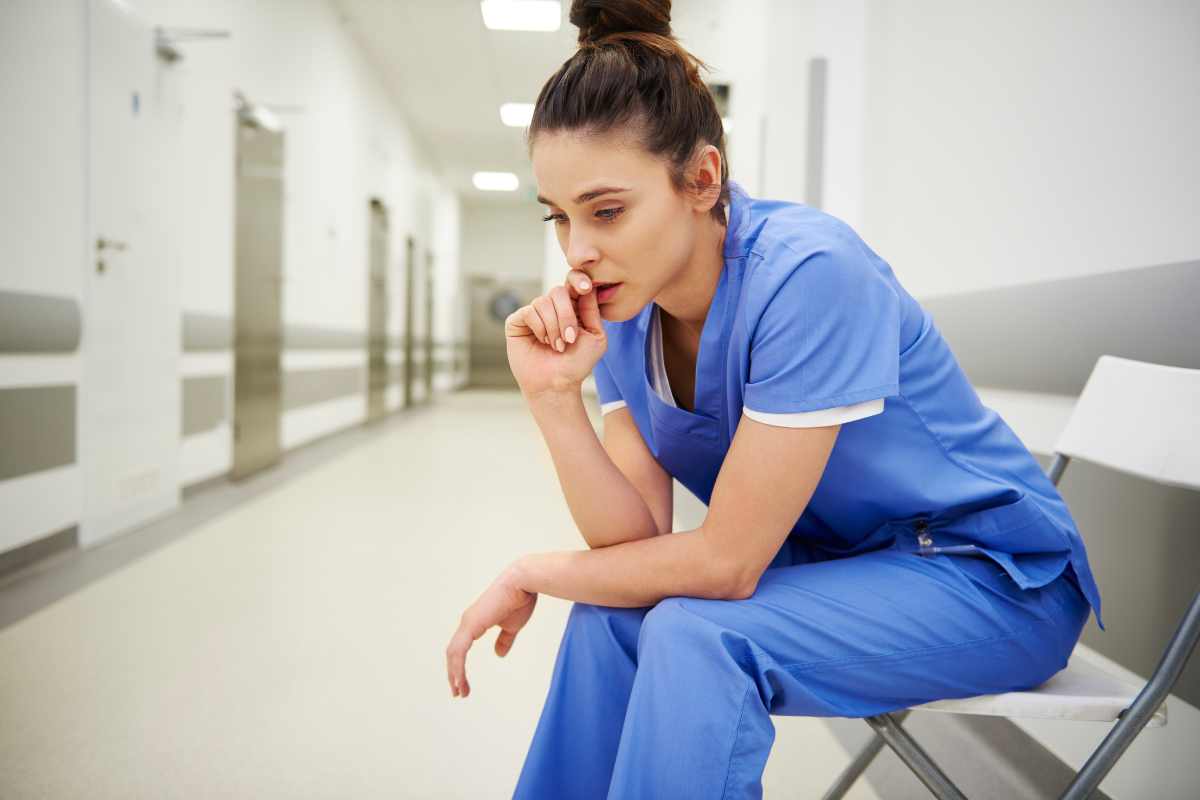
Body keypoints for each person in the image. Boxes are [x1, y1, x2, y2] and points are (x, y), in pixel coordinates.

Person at [444, 1, 1104, 797]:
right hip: (838, 571)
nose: (579, 252)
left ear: (701, 179)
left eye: (607, 211)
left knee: (698, 635)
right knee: (608, 619)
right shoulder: (622, 310)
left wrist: (531, 568)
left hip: (989, 580)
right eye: (561, 218)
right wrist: (554, 400)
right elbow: (634, 543)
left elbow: (724, 565)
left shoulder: (808, 274)